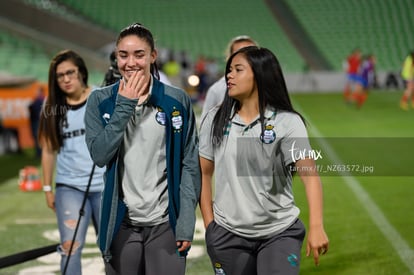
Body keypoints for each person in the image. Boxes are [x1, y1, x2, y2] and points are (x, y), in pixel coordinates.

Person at [199, 46, 329, 275]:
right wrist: (211, 227)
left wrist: (317, 226)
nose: (229, 75)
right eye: (229, 70)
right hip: (227, 235)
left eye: (238, 70)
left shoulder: (288, 122)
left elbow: (310, 177)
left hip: (279, 233)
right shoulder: (214, 119)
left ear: (259, 75)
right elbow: (203, 174)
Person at [84, 23, 201, 275]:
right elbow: (100, 155)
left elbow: (189, 162)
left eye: (139, 54)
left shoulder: (176, 99)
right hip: (121, 223)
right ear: (115, 56)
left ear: (153, 56)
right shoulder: (99, 100)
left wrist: (186, 221)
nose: (131, 63)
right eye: (123, 55)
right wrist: (125, 105)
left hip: (165, 224)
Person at [38, 49, 105, 274]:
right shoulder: (52, 105)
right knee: (70, 248)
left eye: (70, 73)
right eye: (60, 75)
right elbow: (48, 150)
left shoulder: (99, 99)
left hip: (104, 186)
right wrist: (47, 188)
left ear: (82, 73)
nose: (66, 79)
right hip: (69, 188)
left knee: (111, 248)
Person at [201, 35, 258, 119]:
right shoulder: (217, 90)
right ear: (229, 57)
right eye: (239, 53)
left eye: (251, 53)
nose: (246, 58)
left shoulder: (268, 85)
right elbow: (206, 124)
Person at [28, 86, 45, 157]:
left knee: (38, 138)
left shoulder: (40, 100)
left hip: (37, 122)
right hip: (38, 121)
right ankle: (40, 153)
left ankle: (40, 153)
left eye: (37, 91)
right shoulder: (40, 100)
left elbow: (35, 110)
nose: (36, 92)